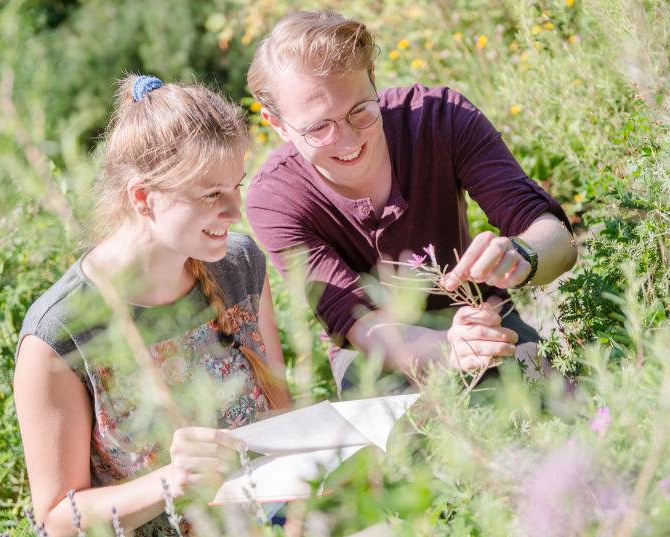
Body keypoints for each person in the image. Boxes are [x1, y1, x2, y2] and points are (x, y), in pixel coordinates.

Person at [14, 75, 289, 536]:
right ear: (143, 198)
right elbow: (58, 520)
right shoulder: (58, 333)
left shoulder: (239, 263)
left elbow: (280, 416)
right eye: (210, 194)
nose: (234, 211)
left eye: (235, 187)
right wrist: (171, 483)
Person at [245, 11, 578, 392]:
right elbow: (355, 321)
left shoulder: (441, 118)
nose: (349, 141)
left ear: (372, 76)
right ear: (277, 124)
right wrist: (447, 347)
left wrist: (524, 254)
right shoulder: (275, 199)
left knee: (556, 404)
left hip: (477, 317)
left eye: (359, 111)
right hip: (374, 353)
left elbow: (559, 240)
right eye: (319, 128)